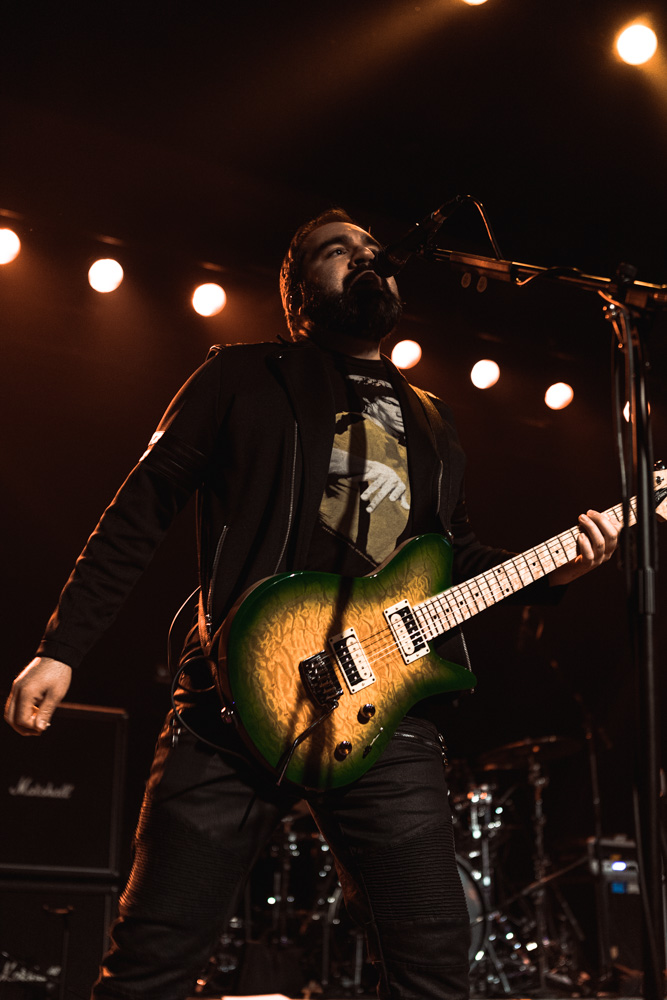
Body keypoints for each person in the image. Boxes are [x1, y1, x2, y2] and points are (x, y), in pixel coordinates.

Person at [4, 208, 619, 1000]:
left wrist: (558, 571)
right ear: (298, 295)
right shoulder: (238, 375)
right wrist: (63, 645)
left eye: (373, 252)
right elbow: (141, 508)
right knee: (151, 963)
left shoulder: (433, 418)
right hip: (230, 707)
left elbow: (450, 560)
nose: (366, 258)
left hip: (381, 710)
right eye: (340, 251)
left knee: (434, 962)